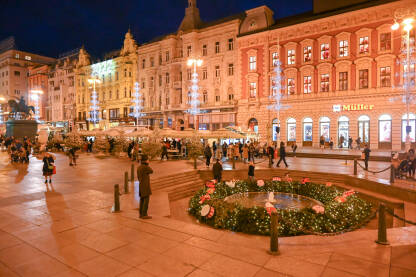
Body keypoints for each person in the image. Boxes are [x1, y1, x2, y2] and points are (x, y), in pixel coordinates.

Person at [137, 155, 153, 219]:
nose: (148, 161)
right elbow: (151, 171)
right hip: (145, 186)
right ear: (145, 160)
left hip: (141, 185)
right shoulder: (145, 167)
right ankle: (144, 214)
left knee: (142, 200)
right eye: (148, 160)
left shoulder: (139, 167)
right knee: (146, 200)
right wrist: (147, 164)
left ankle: (141, 214)